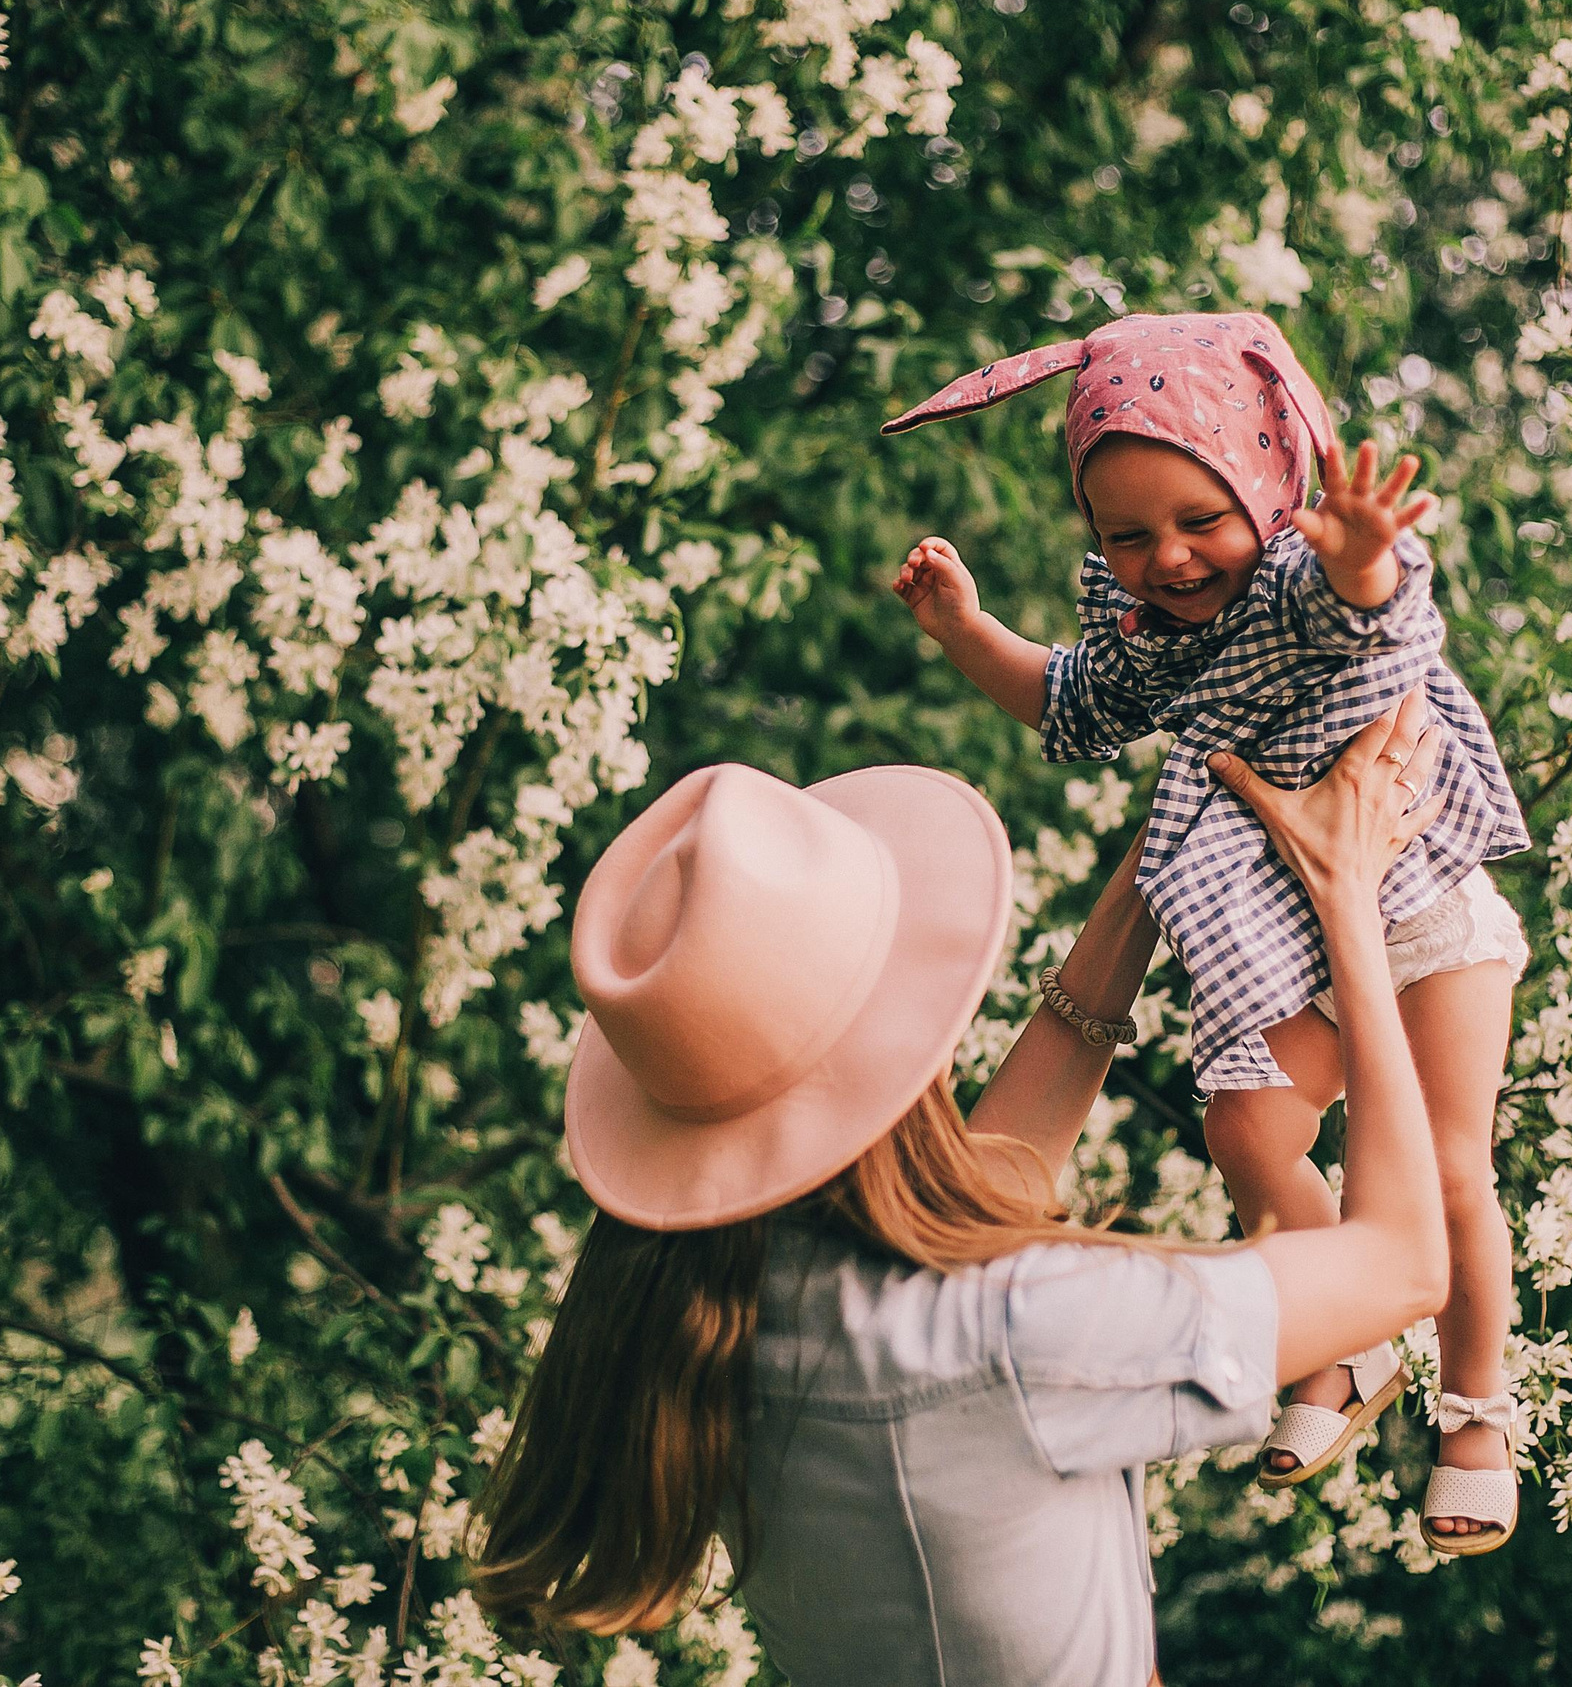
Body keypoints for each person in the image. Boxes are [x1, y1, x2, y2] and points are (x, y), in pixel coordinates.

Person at [473, 688, 1454, 1685]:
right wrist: (1346, 901)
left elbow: (975, 1206)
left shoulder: (715, 1310)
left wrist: (1151, 870)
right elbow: (1402, 1264)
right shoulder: (1020, 1328)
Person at [880, 311, 1532, 1548]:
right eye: (1126, 535)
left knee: (1452, 1172)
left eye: (1198, 520)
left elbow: (1370, 616)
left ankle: (1475, 1412)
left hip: (1423, 911)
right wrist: (968, 632)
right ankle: (1338, 1342)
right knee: (1245, 1125)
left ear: (1268, 487)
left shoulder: (1297, 571)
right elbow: (1067, 701)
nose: (1168, 558)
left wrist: (1359, 557)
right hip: (1290, 934)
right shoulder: (1149, 630)